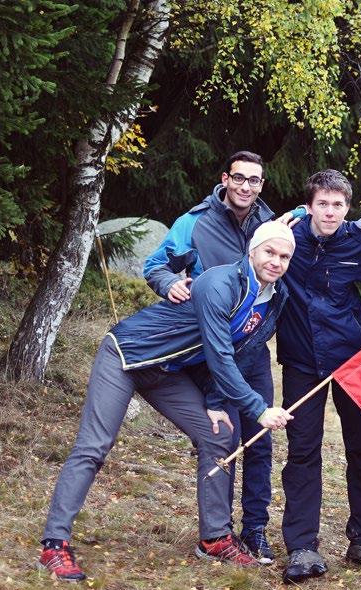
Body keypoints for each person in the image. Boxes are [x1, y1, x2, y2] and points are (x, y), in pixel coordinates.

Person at [38, 222, 296, 581]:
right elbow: (220, 355)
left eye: (285, 256)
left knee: (219, 434)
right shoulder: (221, 283)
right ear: (252, 251)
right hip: (128, 355)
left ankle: (215, 538)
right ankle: (54, 545)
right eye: (270, 251)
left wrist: (216, 400)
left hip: (166, 371)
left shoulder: (274, 296)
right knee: (94, 446)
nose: (276, 261)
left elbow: (243, 352)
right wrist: (257, 408)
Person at [142, 151, 279, 563]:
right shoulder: (194, 222)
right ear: (225, 179)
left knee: (261, 438)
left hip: (253, 349)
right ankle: (220, 533)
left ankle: (255, 528)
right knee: (227, 433)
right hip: (212, 351)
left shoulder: (268, 224)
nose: (245, 187)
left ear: (261, 185)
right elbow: (155, 264)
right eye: (239, 178)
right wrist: (169, 283)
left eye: (254, 181)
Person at [275, 169, 361, 583]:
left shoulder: (359, 244)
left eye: (338, 205)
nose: (330, 212)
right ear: (309, 206)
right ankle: (302, 546)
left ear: (347, 208)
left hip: (352, 362)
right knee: (302, 451)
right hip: (301, 360)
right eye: (322, 204)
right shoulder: (286, 237)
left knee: (360, 450)